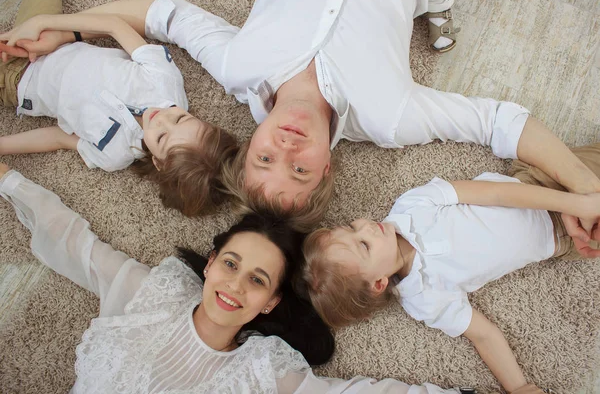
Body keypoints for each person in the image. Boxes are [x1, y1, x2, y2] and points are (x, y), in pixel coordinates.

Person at [2, 0, 599, 242]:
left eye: (267, 158)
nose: (287, 146)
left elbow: (163, 12)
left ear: (252, 138)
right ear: (328, 167)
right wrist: (586, 189)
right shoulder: (390, 119)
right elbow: (501, 123)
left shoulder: (237, 66)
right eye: (300, 169)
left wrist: (62, 26)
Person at [0, 161, 481, 394]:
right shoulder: (151, 293)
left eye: (256, 280)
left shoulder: (263, 370)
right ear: (210, 263)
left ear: (270, 302)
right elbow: (74, 243)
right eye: (230, 264)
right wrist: (9, 180)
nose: (233, 286)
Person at [298, 143, 600, 394]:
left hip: (539, 184)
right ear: (378, 283)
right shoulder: (425, 298)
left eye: (351, 227)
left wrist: (574, 204)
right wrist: (518, 386)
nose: (365, 227)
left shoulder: (412, 206)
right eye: (363, 244)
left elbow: (497, 194)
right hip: (557, 239)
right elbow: (483, 335)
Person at [0, 0, 238, 217]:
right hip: (52, 39)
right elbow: (114, 25)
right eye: (181, 118)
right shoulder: (165, 80)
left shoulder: (113, 154)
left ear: (157, 161)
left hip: (16, 84)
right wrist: (44, 23)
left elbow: (59, 138)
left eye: (162, 137)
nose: (161, 117)